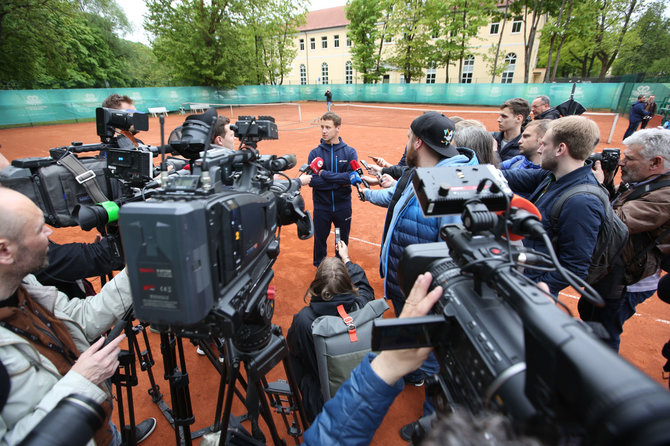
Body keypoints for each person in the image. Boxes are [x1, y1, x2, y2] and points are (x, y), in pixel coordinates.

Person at [302, 272, 544, 446]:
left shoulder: (304, 320)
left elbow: (331, 437)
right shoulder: (363, 299)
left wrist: (388, 365)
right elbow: (364, 286)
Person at [0, 187, 156, 445]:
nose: (50, 234)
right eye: (40, 230)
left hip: (98, 429)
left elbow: (80, 318)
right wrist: (81, 383)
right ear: (5, 251)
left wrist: (134, 272)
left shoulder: (23, 284)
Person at [361, 112, 477, 436]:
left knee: (439, 363)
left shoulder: (450, 183)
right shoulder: (422, 173)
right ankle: (416, 376)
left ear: (417, 142)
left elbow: (456, 255)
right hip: (409, 285)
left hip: (432, 297)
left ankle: (434, 426)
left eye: (407, 138)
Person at [502, 116, 604, 296]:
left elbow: (575, 267)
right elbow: (504, 177)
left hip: (528, 291)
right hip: (518, 272)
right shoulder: (551, 176)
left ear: (560, 148)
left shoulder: (582, 202)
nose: (539, 150)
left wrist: (532, 292)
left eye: (544, 144)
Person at [588, 129, 670, 351]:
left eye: (630, 158)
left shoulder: (665, 195)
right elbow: (617, 204)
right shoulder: (646, 182)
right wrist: (607, 182)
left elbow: (615, 221)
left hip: (628, 281)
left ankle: (600, 379)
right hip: (612, 270)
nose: (622, 163)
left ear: (655, 162)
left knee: (604, 334)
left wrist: (596, 186)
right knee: (591, 320)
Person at [286, 241, 374, 422]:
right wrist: (346, 259)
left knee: (292, 354)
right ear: (348, 285)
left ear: (317, 287)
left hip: (323, 401)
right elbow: (364, 286)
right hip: (359, 394)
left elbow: (295, 350)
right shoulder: (362, 305)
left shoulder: (304, 320)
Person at [300, 112, 358, 267]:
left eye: (328, 127)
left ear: (338, 128)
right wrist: (339, 181)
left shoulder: (349, 152)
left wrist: (324, 174)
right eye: (322, 127)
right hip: (321, 208)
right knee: (320, 241)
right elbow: (313, 181)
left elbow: (351, 178)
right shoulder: (315, 153)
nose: (324, 131)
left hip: (342, 208)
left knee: (341, 240)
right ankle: (320, 269)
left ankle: (340, 269)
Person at [491, 98, 531, 162]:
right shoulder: (490, 137)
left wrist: (494, 151)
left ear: (518, 118)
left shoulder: (526, 147)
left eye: (504, 116)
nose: (498, 120)